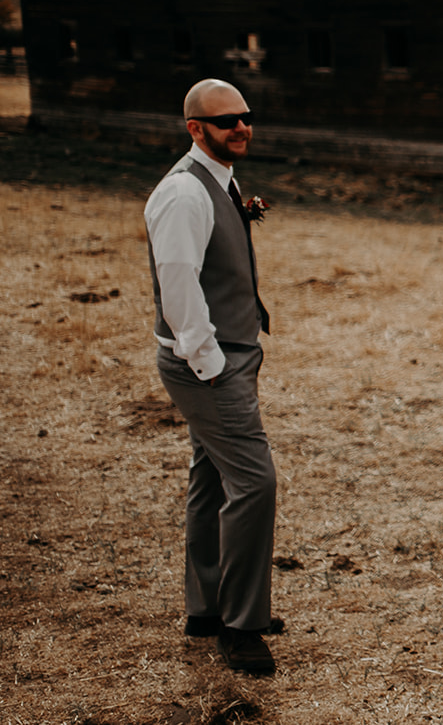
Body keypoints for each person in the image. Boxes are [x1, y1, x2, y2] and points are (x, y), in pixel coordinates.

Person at [145, 79, 280, 676]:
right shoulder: (182, 194)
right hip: (209, 363)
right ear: (195, 129)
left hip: (230, 353)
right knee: (254, 482)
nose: (241, 128)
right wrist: (212, 366)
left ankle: (205, 609)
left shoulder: (220, 181)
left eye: (245, 117)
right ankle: (241, 625)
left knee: (212, 477)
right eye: (226, 121)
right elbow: (178, 287)